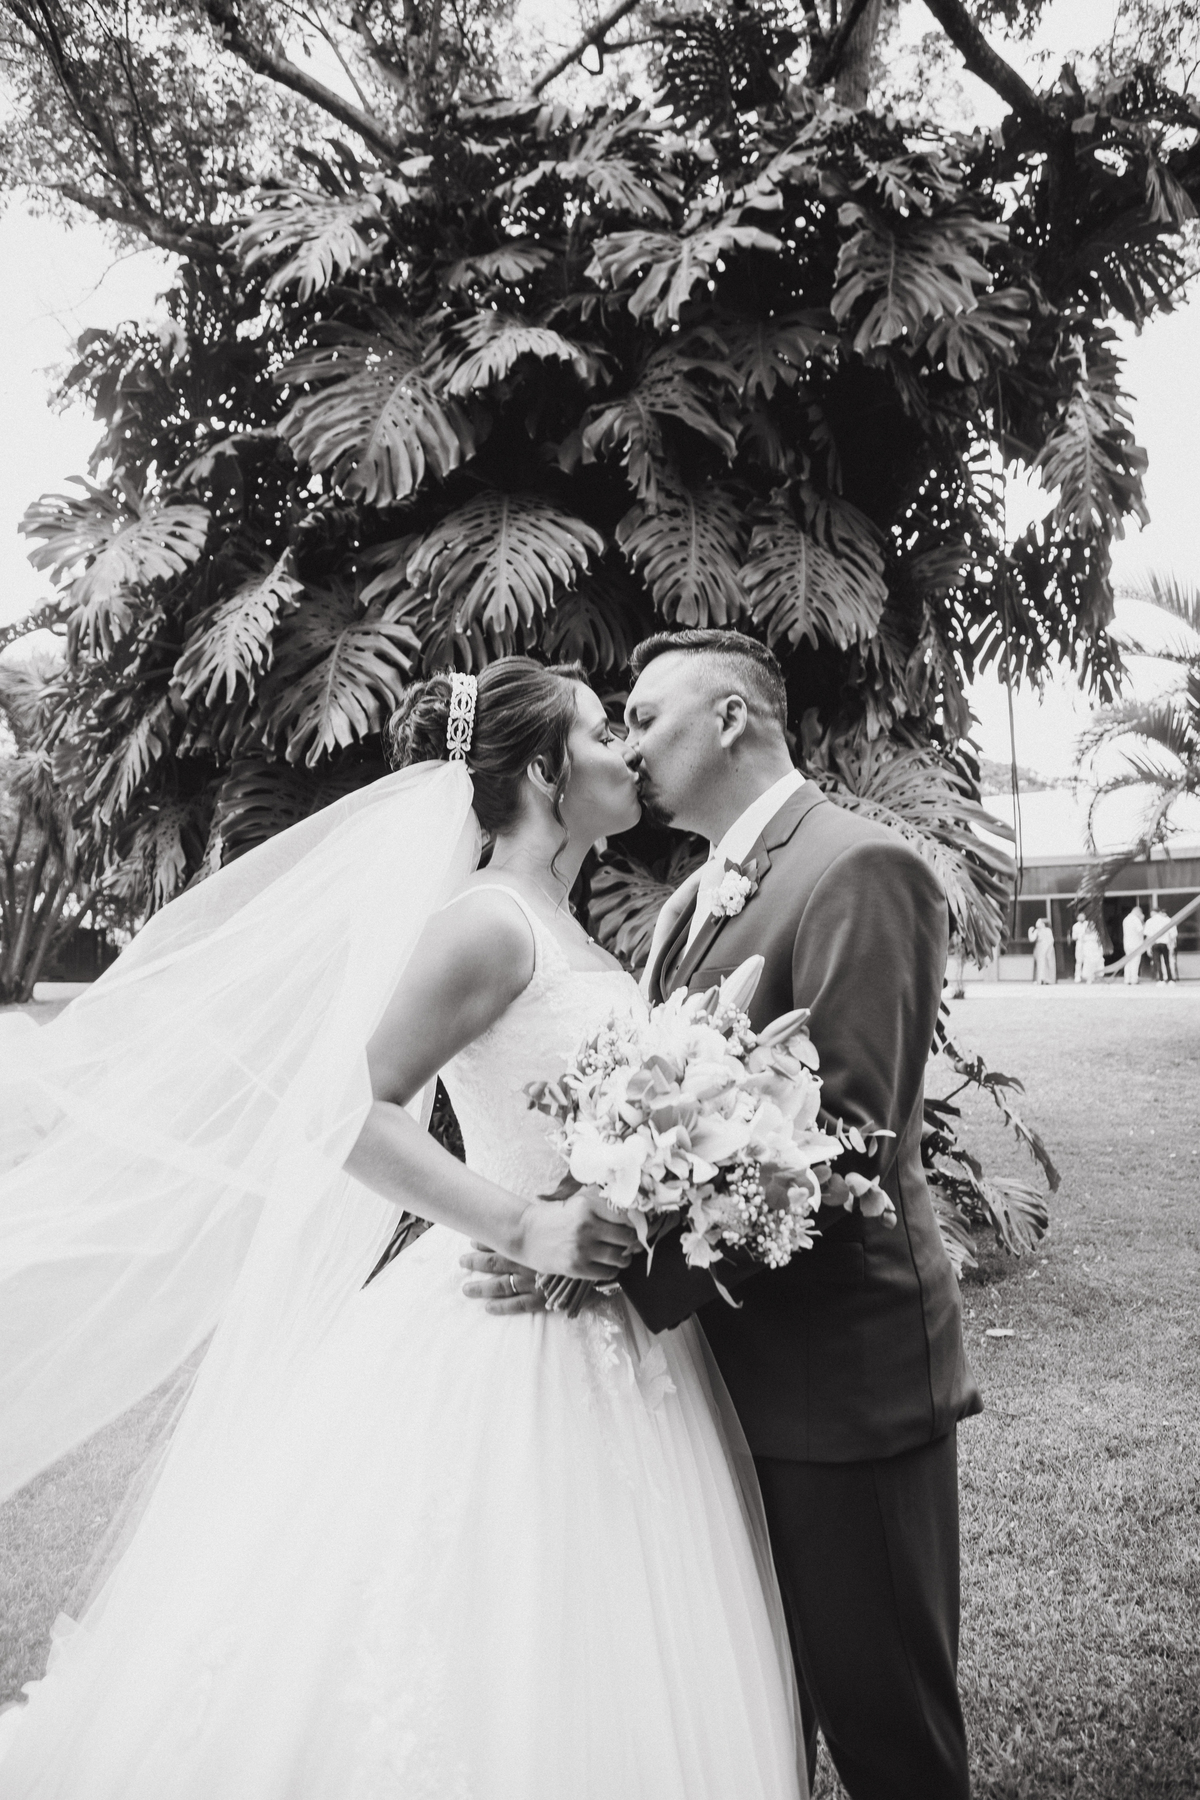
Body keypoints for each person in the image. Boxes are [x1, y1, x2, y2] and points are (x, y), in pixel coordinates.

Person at [0, 659, 805, 1800]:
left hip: (610, 1329)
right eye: (600, 733)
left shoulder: (560, 924)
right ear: (545, 770)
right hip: (504, 1327)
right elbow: (346, 1111)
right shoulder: (489, 923)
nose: (628, 752)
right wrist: (525, 1225)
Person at [467, 630, 980, 1800]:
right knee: (758, 1724)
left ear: (733, 718)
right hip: (720, 1386)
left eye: (645, 718)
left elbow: (846, 1142)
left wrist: (597, 1262)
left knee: (887, 1729)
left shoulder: (857, 866)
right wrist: (568, 1222)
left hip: (841, 1389)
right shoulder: (694, 899)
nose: (629, 746)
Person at [1145, 903, 1176, 981]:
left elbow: (1148, 936)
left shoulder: (1150, 921)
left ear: (1152, 913)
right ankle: (1170, 979)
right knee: (1167, 961)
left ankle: (1161, 979)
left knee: (1157, 962)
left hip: (1155, 944)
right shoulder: (1167, 920)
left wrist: (1148, 947)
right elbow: (1172, 935)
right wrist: (1172, 945)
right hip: (1165, 943)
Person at [1071, 914, 1105, 983]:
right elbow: (1074, 937)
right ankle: (1078, 976)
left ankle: (1091, 976)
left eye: (1082, 916)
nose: (1081, 918)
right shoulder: (1075, 926)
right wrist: (1081, 936)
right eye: (1080, 916)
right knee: (1079, 961)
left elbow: (1093, 931)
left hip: (1090, 946)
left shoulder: (1087, 924)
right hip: (1080, 944)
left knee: (1090, 961)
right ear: (1077, 918)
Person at [1122, 900, 1146, 985]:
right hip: (1136, 944)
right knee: (1135, 962)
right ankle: (1134, 979)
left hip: (1127, 943)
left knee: (1128, 962)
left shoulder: (1126, 919)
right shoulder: (1136, 920)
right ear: (1138, 912)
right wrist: (1142, 921)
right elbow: (1141, 931)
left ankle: (1127, 979)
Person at [1028, 914, 1056, 984]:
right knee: (1040, 964)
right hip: (1039, 949)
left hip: (1048, 949)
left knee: (1048, 964)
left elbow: (1051, 940)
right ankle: (1040, 979)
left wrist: (1048, 949)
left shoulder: (1048, 930)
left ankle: (1048, 979)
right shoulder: (1037, 931)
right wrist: (1030, 931)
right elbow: (1032, 939)